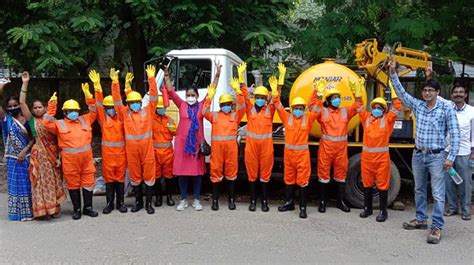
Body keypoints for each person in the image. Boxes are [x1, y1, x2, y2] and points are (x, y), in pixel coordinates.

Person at [388, 60, 460, 244]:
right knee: (419, 189)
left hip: (437, 156)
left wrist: (450, 158)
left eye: (431, 91)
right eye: (425, 90)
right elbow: (402, 94)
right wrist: (393, 73)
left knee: (437, 193)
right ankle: (420, 219)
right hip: (418, 154)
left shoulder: (447, 109)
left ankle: (436, 227)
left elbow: (456, 135)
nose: (427, 93)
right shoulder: (418, 106)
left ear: (437, 93)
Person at [164, 62, 221, 211]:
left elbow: (212, 91)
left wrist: (217, 75)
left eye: (193, 95)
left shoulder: (202, 105)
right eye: (188, 95)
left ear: (197, 96)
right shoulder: (181, 104)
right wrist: (166, 75)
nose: (190, 97)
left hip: (196, 145)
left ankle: (196, 199)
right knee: (182, 174)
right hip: (183, 144)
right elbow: (170, 91)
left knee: (197, 174)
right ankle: (183, 199)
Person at [42, 84, 99, 220]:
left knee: (88, 182)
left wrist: (89, 97)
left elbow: (94, 111)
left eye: (75, 110)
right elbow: (46, 123)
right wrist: (51, 106)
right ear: (65, 112)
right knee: (73, 184)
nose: (74, 112)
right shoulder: (59, 124)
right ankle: (77, 209)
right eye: (70, 110)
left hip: (86, 159)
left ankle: (88, 208)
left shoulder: (85, 120)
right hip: (69, 160)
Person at [311, 78, 363, 213]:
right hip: (326, 149)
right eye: (334, 97)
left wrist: (356, 94)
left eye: (338, 97)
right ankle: (322, 202)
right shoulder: (322, 111)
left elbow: (358, 106)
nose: (337, 100)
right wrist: (317, 92)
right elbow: (312, 108)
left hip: (340, 150)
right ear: (328, 100)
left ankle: (340, 202)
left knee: (341, 175)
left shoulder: (345, 111)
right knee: (323, 175)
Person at [111, 65, 158, 215]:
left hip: (147, 150)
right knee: (135, 176)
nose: (135, 104)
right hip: (132, 151)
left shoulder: (148, 111)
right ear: (129, 104)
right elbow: (117, 101)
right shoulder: (125, 113)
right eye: (132, 102)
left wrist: (152, 79)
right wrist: (115, 83)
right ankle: (138, 202)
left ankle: (149, 204)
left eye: (137, 101)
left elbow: (154, 97)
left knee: (149, 176)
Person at [19, 71, 65, 219]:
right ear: (32, 110)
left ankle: (54, 209)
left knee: (52, 182)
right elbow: (22, 103)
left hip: (52, 156)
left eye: (40, 107)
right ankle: (42, 210)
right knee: (39, 182)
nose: (38, 109)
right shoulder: (31, 120)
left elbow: (59, 141)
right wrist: (25, 83)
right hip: (38, 155)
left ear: (45, 108)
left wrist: (59, 157)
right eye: (35, 108)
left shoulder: (51, 121)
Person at [240, 63, 286, 212]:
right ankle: (253, 201)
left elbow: (276, 97)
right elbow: (245, 95)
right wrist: (241, 78)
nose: (260, 99)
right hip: (252, 147)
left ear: (266, 99)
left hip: (266, 147)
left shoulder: (269, 109)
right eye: (258, 97)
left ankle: (264, 201)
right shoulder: (250, 108)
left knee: (265, 175)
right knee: (252, 174)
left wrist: (280, 81)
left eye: (262, 97)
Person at [273, 76, 319, 219]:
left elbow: (317, 109)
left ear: (304, 109)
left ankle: (303, 207)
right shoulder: (287, 118)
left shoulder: (308, 119)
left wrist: (317, 93)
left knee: (303, 180)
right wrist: (278, 88)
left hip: (302, 155)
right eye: (296, 108)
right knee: (289, 178)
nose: (298, 110)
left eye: (300, 108)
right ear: (292, 109)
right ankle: (289, 203)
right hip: (289, 155)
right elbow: (277, 104)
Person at [358, 81, 402, 222]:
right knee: (367, 183)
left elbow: (397, 107)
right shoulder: (366, 118)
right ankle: (367, 208)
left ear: (384, 109)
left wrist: (394, 91)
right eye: (375, 107)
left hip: (382, 159)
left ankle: (383, 211)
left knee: (383, 184)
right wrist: (358, 92)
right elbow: (358, 107)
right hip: (367, 159)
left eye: (380, 107)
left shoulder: (388, 119)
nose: (377, 109)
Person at [202, 78, 246, 211]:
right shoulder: (214, 116)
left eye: (228, 103)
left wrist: (239, 92)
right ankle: (215, 201)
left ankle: (231, 200)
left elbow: (243, 106)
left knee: (231, 175)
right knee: (215, 174)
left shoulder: (235, 116)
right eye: (224, 104)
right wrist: (210, 96)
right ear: (220, 105)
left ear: (231, 105)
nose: (226, 106)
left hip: (231, 151)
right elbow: (204, 111)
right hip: (217, 151)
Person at [88, 69, 128, 214]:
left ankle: (121, 203)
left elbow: (118, 100)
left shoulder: (121, 118)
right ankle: (110, 204)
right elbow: (98, 104)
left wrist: (115, 83)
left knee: (120, 179)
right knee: (109, 180)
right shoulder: (103, 118)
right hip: (108, 156)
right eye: (108, 108)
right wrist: (97, 87)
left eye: (112, 107)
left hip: (120, 155)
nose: (111, 109)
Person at [1, 72, 34, 221]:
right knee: (15, 186)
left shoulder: (26, 118)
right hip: (12, 159)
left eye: (15, 105)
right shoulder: (6, 119)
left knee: (27, 185)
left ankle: (29, 212)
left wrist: (25, 151)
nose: (13, 107)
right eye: (10, 106)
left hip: (26, 158)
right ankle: (17, 214)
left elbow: (34, 139)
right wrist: (0, 88)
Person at [437, 83, 473, 221]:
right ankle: (452, 207)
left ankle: (465, 209)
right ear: (452, 95)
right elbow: (437, 96)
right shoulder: (448, 107)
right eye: (455, 92)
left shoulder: (472, 111)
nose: (458, 94)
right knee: (448, 181)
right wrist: (429, 77)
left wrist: (473, 152)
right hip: (447, 151)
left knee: (465, 183)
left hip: (464, 152)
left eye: (461, 92)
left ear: (465, 95)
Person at [152, 93, 177, 207]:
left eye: (164, 108)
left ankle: (169, 197)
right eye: (160, 108)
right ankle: (158, 198)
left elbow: (176, 133)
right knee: (156, 176)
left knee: (169, 176)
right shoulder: (151, 120)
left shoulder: (170, 120)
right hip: (155, 152)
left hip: (168, 152)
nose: (162, 109)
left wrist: (173, 129)